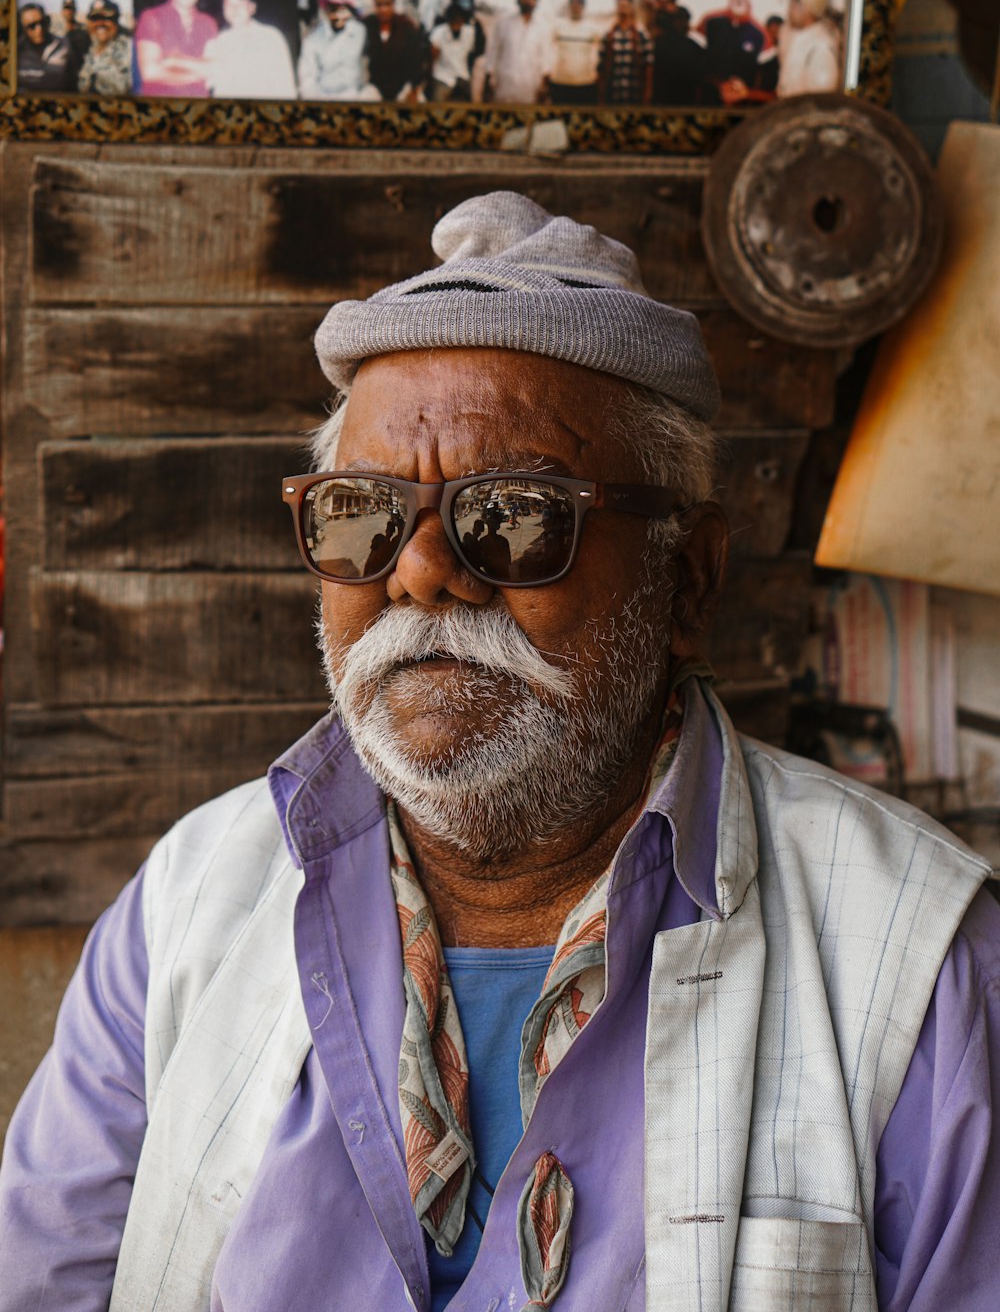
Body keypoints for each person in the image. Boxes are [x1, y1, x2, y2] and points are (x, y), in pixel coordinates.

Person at [5, 189, 1000, 1312]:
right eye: (359, 514)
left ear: (690, 577)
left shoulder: (916, 962)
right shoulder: (189, 903)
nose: (420, 572)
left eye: (516, 514)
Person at [134, 0, 218, 97]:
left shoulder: (208, 22)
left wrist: (176, 60)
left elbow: (214, 66)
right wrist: (199, 74)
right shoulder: (151, 17)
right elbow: (150, 73)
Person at [204, 0, 297, 98]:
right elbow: (210, 84)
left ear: (252, 7)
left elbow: (286, 88)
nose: (234, 8)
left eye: (241, 3)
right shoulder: (216, 43)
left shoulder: (270, 37)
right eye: (228, 4)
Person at [694, 0, 765, 105]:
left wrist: (747, 92)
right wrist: (716, 84)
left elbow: (764, 78)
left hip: (743, 106)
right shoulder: (710, 22)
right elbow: (693, 62)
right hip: (709, 101)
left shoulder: (759, 33)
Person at [297, 0, 371, 100]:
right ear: (325, 10)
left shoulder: (360, 32)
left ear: (349, 11)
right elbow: (307, 81)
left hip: (355, 98)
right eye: (332, 9)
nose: (337, 16)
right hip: (324, 99)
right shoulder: (313, 40)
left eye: (342, 10)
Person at [484, 0, 553, 105]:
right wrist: (489, 77)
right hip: (505, 83)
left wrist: (544, 85)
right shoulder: (504, 23)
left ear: (536, 2)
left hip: (531, 84)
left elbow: (546, 56)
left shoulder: (543, 26)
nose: (528, 1)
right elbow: (493, 51)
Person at [777, 0, 841, 96]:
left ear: (810, 7)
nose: (790, 9)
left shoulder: (822, 47)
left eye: (795, 4)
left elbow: (820, 103)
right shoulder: (789, 33)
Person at [363, 0, 424, 103]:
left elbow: (417, 61)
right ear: (374, 5)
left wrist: (414, 89)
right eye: (379, 4)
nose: (383, 9)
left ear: (393, 4)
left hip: (403, 87)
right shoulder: (367, 25)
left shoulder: (407, 26)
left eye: (387, 4)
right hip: (375, 88)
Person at [597, 0, 653, 105]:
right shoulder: (608, 35)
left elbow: (649, 66)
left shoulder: (641, 35)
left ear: (631, 8)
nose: (623, 9)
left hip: (635, 94)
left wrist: (647, 92)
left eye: (625, 6)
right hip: (613, 95)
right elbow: (601, 66)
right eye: (620, 6)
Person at [546, 0, 600, 105]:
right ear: (569, 6)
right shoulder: (557, 27)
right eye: (573, 4)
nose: (576, 8)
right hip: (560, 83)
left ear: (583, 7)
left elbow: (598, 53)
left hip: (585, 83)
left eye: (579, 5)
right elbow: (548, 51)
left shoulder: (593, 28)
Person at [651, 5, 707, 106]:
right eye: (679, 20)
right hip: (666, 98)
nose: (682, 24)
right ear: (673, 22)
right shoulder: (660, 43)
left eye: (685, 20)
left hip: (686, 97)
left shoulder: (693, 45)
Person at [77, 0, 132, 95]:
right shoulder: (91, 50)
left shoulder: (130, 49)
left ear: (116, 20)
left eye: (107, 18)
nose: (100, 23)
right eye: (95, 18)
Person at [17, 3, 76, 91]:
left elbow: (73, 80)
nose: (39, 29)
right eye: (32, 26)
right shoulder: (16, 49)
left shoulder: (64, 45)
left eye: (42, 22)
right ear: (23, 28)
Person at [428, 3, 477, 102]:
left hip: (462, 76)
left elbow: (473, 56)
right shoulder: (439, 32)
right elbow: (432, 56)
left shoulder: (470, 33)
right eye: (453, 21)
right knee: (438, 106)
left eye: (458, 21)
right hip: (443, 77)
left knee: (470, 108)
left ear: (463, 20)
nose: (456, 24)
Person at [49, 0, 91, 70]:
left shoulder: (84, 29)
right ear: (62, 12)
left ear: (75, 11)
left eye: (71, 9)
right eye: (66, 9)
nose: (69, 12)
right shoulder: (54, 31)